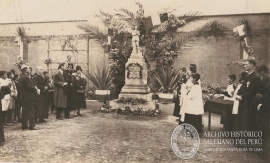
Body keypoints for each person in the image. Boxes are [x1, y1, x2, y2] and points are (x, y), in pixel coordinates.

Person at [235, 60, 262, 132]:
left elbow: (253, 91)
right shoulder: (248, 76)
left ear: (252, 65)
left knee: (248, 123)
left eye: (246, 64)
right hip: (243, 102)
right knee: (242, 121)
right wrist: (238, 94)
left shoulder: (256, 77)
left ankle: (247, 141)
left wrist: (242, 97)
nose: (245, 66)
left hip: (249, 103)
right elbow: (242, 87)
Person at [19, 65, 39, 130]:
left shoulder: (21, 76)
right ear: (25, 70)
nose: (29, 70)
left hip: (23, 96)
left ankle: (24, 125)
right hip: (28, 96)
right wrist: (35, 88)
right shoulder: (26, 77)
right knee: (31, 110)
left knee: (24, 111)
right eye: (28, 69)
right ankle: (32, 125)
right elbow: (29, 87)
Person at [256, 65, 270, 159]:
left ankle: (265, 153)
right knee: (264, 130)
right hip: (265, 109)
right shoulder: (266, 80)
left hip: (267, 109)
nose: (261, 77)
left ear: (264, 72)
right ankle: (264, 151)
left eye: (261, 75)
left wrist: (262, 104)